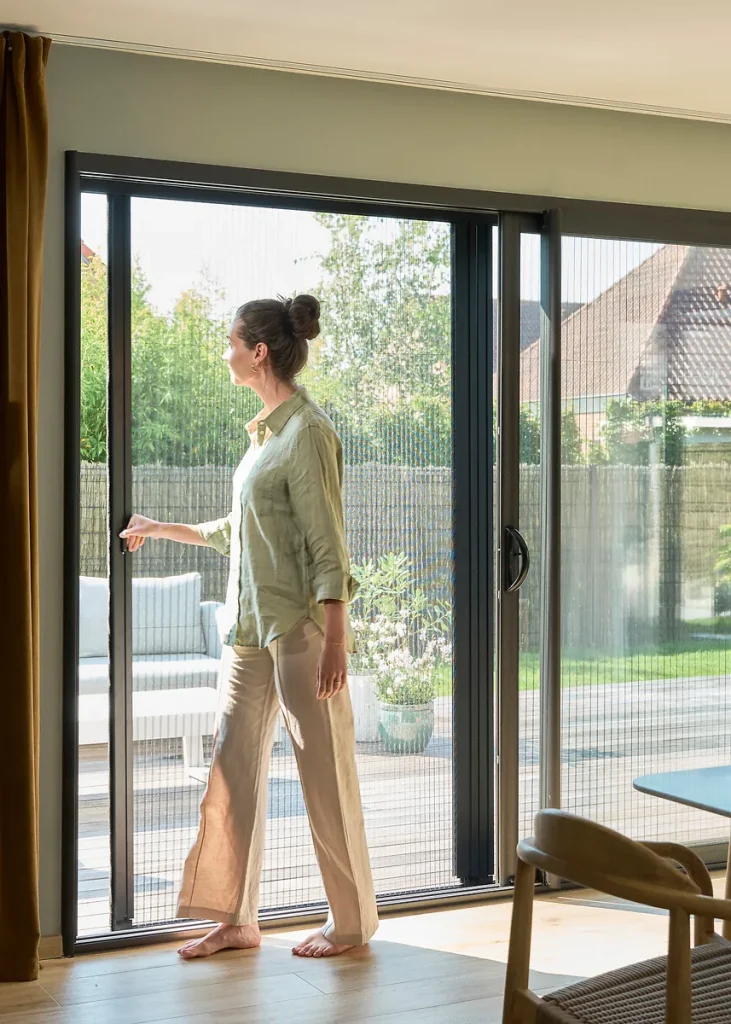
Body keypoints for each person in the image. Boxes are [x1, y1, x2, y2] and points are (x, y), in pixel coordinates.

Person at [120, 294, 378, 960]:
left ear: (257, 350)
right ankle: (235, 919)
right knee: (231, 770)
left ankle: (349, 923)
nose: (224, 351)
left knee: (324, 772)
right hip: (246, 632)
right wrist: (159, 529)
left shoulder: (307, 432)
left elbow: (328, 546)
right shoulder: (264, 434)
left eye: (230, 341)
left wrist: (335, 643)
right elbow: (241, 532)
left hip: (298, 632)